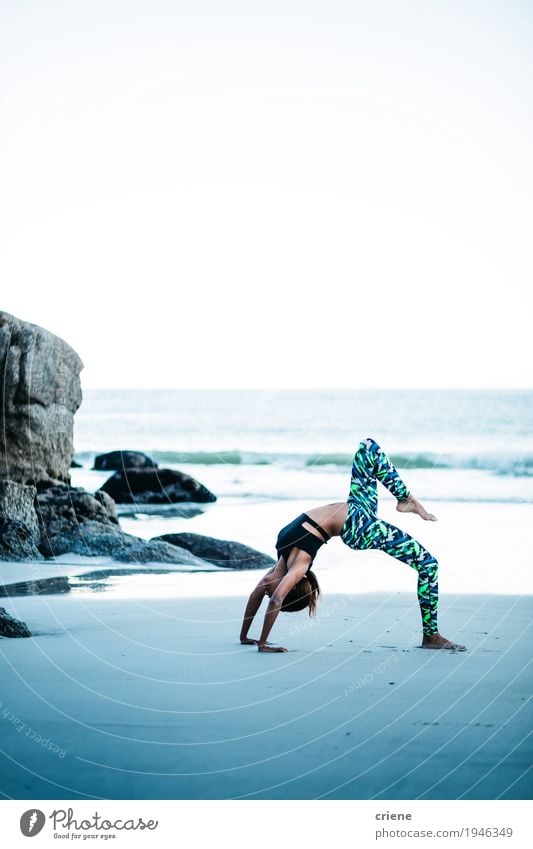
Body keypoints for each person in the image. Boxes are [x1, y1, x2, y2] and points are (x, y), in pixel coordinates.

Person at [239, 437, 466, 653]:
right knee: (428, 565)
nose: (266, 591)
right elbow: (277, 598)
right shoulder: (299, 564)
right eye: (272, 592)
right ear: (289, 586)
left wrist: (245, 636)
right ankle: (431, 636)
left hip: (358, 506)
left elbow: (257, 594)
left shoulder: (282, 556)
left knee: (368, 448)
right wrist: (263, 643)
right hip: (359, 527)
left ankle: (406, 499)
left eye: (268, 591)